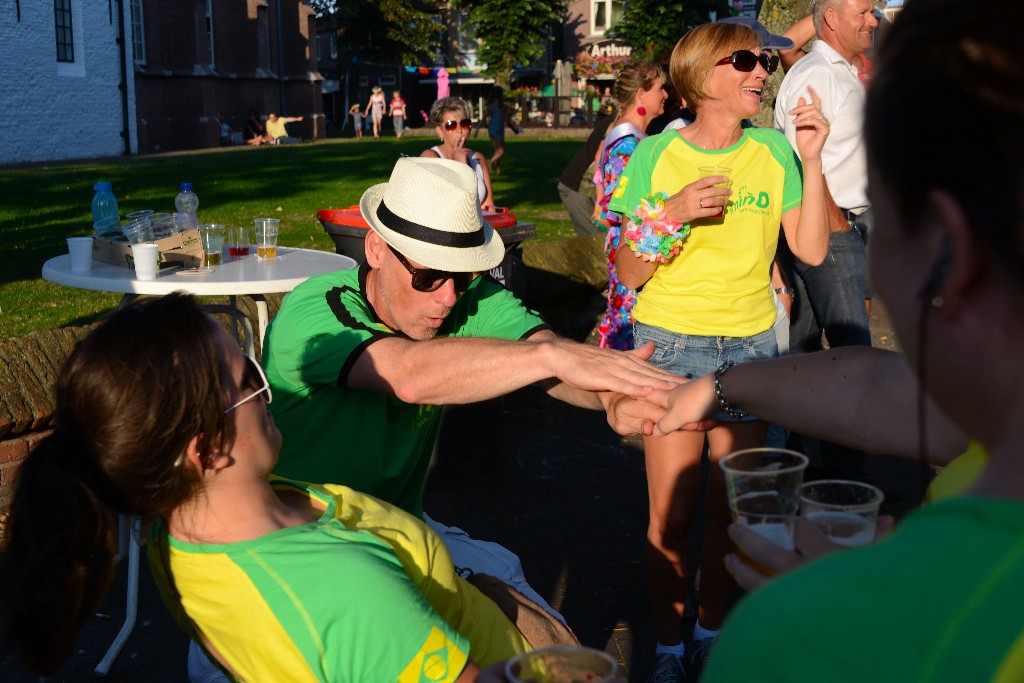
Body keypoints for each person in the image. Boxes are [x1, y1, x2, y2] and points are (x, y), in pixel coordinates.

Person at [652, 0, 1024, 678]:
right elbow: (887, 390)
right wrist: (716, 383)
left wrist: (858, 602)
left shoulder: (794, 640)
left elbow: (819, 256)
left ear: (950, 253)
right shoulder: (988, 428)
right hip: (687, 350)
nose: (759, 71)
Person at [0, 293, 540, 681]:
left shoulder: (177, 525)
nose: (266, 388)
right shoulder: (344, 594)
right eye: (249, 379)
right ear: (206, 450)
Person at [263, 156, 684, 624]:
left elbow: (547, 357)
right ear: (376, 250)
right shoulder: (314, 313)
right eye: (427, 277)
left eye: (461, 277)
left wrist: (612, 399)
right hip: (299, 547)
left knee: (541, 635)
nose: (447, 297)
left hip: (399, 531)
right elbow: (406, 374)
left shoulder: (467, 298)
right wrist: (552, 357)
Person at [607, 21, 830, 682]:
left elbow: (813, 251)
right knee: (670, 518)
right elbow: (630, 269)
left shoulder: (773, 152)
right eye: (745, 62)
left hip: (752, 351)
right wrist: (668, 211)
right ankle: (670, 650)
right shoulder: (655, 156)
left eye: (764, 61)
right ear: (702, 75)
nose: (762, 72)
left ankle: (708, 632)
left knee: (733, 515)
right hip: (670, 344)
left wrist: (813, 159)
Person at [773, 0, 878, 481]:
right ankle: (845, 483)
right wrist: (835, 224)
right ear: (832, 19)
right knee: (850, 356)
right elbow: (797, 160)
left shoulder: (841, 71)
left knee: (805, 350)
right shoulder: (816, 73)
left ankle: (795, 465)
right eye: (864, 11)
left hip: (844, 224)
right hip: (830, 229)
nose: (873, 19)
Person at [592, 61, 667, 351]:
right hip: (630, 243)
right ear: (641, 94)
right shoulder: (627, 143)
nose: (665, 95)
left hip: (631, 242)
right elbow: (624, 206)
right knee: (628, 319)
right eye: (660, 88)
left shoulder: (626, 136)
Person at [421, 97, 495, 210]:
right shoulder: (431, 157)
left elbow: (489, 208)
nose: (460, 130)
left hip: (480, 226)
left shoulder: (478, 159)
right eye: (451, 125)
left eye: (465, 124)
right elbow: (443, 207)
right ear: (440, 131)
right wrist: (460, 166)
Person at [557, 113, 614, 237]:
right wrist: (600, 200)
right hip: (579, 188)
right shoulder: (620, 123)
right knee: (595, 242)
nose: (664, 94)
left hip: (597, 190)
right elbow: (600, 158)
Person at [485, 87, 508, 174]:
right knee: (501, 151)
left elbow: (484, 118)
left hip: (491, 129)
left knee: (496, 150)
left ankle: (498, 169)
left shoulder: (490, 106)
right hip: (499, 130)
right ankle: (489, 162)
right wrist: (515, 129)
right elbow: (507, 121)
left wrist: (477, 130)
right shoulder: (502, 106)